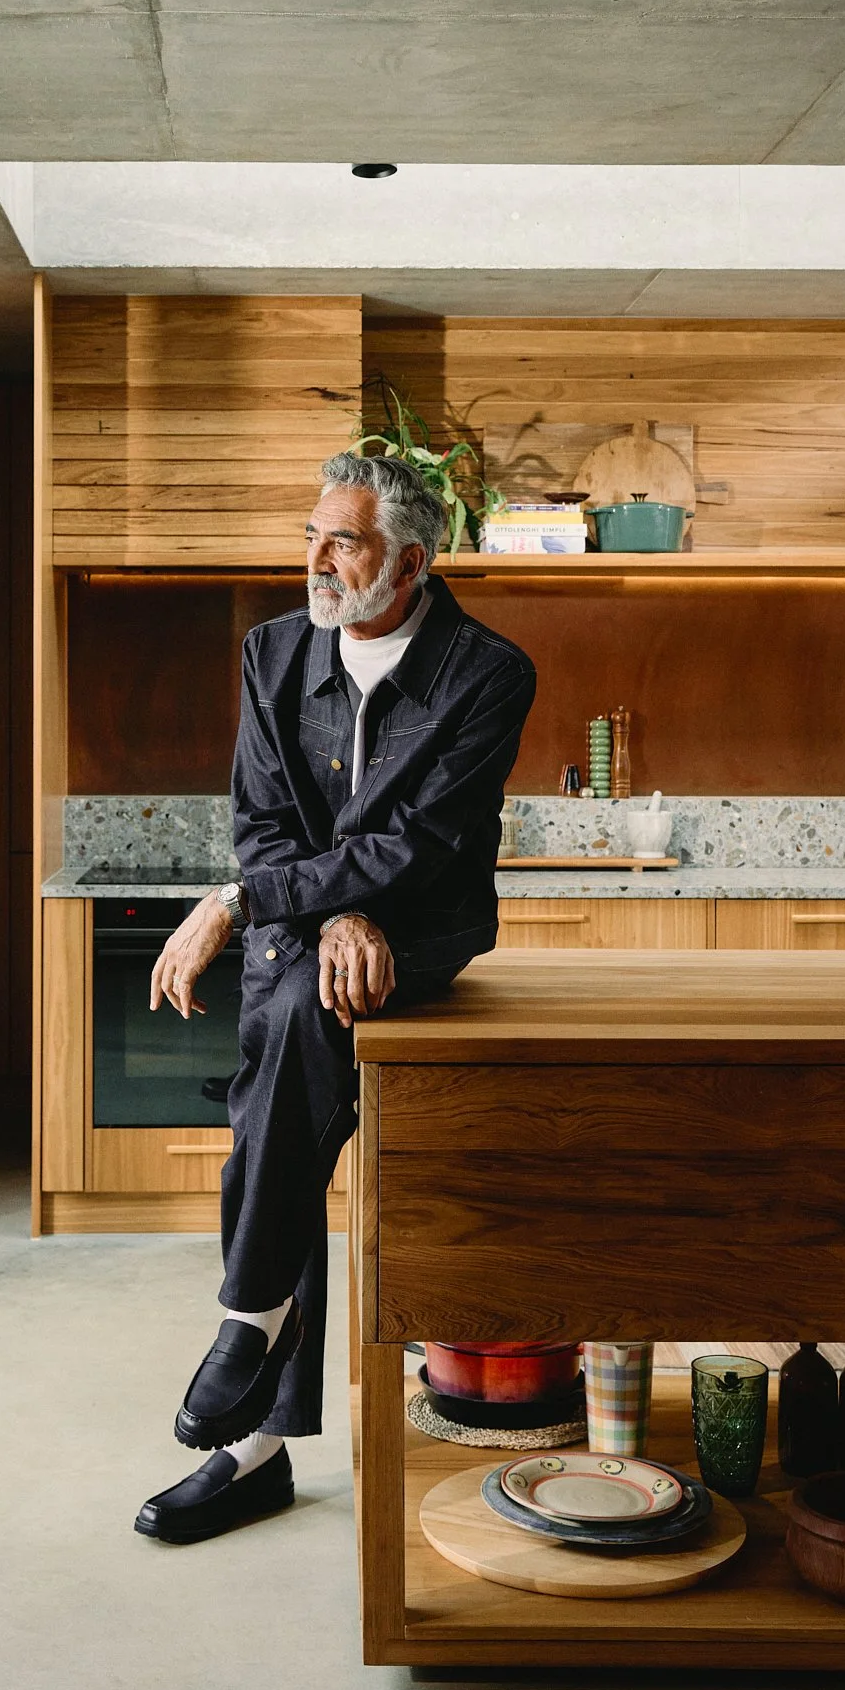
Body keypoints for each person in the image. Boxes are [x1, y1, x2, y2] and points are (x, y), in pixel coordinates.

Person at [134, 451, 536, 1543]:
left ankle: (248, 1369)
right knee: (293, 1072)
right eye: (311, 534)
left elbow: (420, 844)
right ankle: (257, 1379)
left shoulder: (488, 674)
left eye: (343, 542)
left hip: (423, 930)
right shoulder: (273, 652)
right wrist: (323, 917)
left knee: (294, 1041)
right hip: (307, 929)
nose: (315, 560)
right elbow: (263, 821)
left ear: (409, 562)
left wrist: (248, 904)